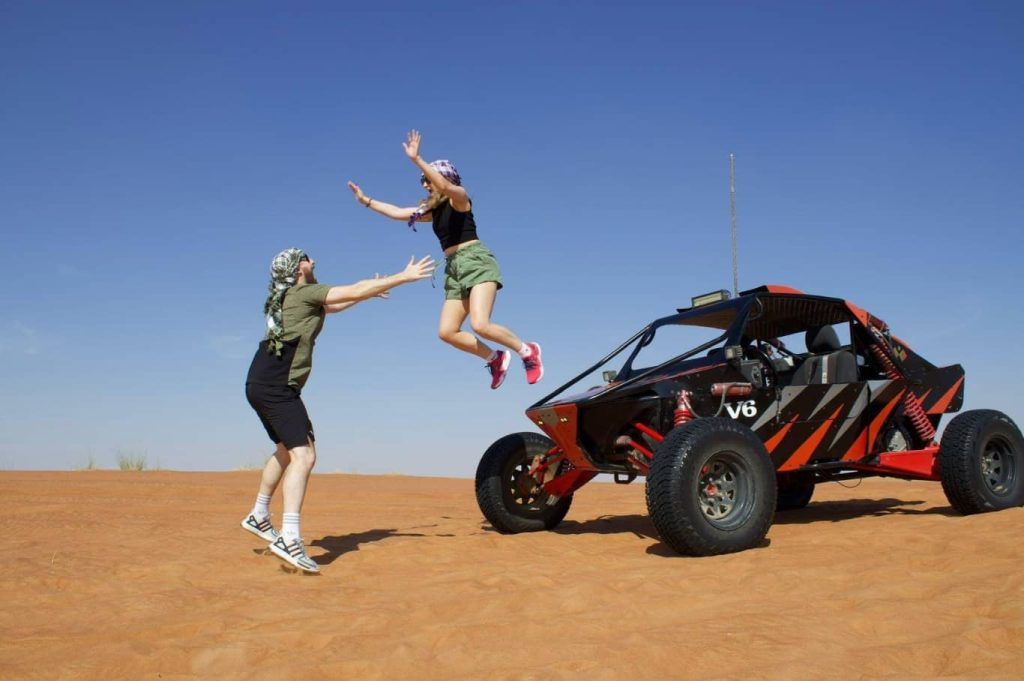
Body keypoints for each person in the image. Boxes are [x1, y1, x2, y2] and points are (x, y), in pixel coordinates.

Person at [241, 248, 435, 573]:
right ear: (298, 269)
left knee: (285, 451)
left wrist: (370, 292)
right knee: (304, 456)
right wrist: (403, 276)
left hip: (259, 380)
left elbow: (339, 303)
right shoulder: (305, 291)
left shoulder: (293, 295)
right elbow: (353, 289)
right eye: (307, 257)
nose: (313, 260)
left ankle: (259, 515)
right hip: (277, 384)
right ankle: (289, 537)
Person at [347, 129, 543, 389]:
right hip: (454, 269)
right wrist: (366, 201)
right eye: (423, 181)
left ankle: (527, 351)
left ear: (443, 177)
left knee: (480, 324)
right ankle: (494, 359)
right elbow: (397, 212)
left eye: (430, 180)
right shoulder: (433, 211)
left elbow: (446, 187)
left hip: (476, 261)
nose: (426, 185)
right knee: (447, 332)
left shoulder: (459, 199)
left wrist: (417, 160)